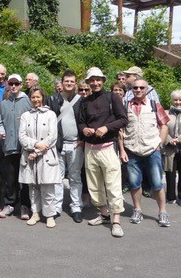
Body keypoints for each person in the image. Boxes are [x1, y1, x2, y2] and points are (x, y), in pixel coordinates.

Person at [77, 67, 128, 238]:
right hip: (90, 149)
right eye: (92, 80)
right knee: (94, 185)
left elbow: (123, 119)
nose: (95, 83)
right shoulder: (84, 102)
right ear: (88, 82)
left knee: (113, 184)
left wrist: (106, 127)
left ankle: (116, 221)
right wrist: (85, 130)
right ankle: (104, 214)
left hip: (107, 147)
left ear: (103, 81)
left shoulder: (112, 97)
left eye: (98, 79)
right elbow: (81, 123)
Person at [119, 79, 171, 228]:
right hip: (132, 150)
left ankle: (162, 212)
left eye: (142, 87)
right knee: (134, 183)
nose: (138, 90)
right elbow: (121, 131)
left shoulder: (154, 105)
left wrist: (159, 144)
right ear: (131, 89)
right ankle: (137, 210)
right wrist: (122, 150)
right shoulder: (125, 105)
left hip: (152, 149)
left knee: (157, 183)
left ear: (147, 89)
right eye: (135, 87)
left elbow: (164, 126)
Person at [19, 87, 62, 228]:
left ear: (43, 97)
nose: (36, 100)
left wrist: (36, 151)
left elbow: (52, 138)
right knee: (33, 188)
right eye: (33, 97)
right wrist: (35, 145)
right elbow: (22, 136)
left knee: (47, 187)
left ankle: (50, 215)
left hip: (46, 156)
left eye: (38, 97)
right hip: (29, 155)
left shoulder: (50, 114)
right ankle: (35, 213)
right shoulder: (26, 115)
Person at [46, 70, 84, 223]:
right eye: (66, 81)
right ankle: (56, 207)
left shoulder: (81, 100)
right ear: (61, 83)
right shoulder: (53, 99)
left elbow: (85, 120)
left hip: (76, 144)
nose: (69, 84)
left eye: (72, 81)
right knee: (58, 177)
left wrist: (82, 139)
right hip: (58, 144)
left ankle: (76, 206)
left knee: (75, 177)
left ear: (75, 83)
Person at [0, 74, 32, 219]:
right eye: (11, 84)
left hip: (24, 148)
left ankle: (25, 206)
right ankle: (9, 204)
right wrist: (0, 129)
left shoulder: (28, 102)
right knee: (9, 178)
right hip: (9, 147)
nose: (13, 86)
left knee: (24, 179)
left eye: (16, 84)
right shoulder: (3, 104)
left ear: (21, 85)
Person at [111, 82, 129, 193]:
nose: (118, 92)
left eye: (120, 90)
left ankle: (125, 184)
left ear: (124, 93)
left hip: (128, 137)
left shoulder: (128, 105)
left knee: (126, 163)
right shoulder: (110, 104)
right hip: (115, 137)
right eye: (115, 90)